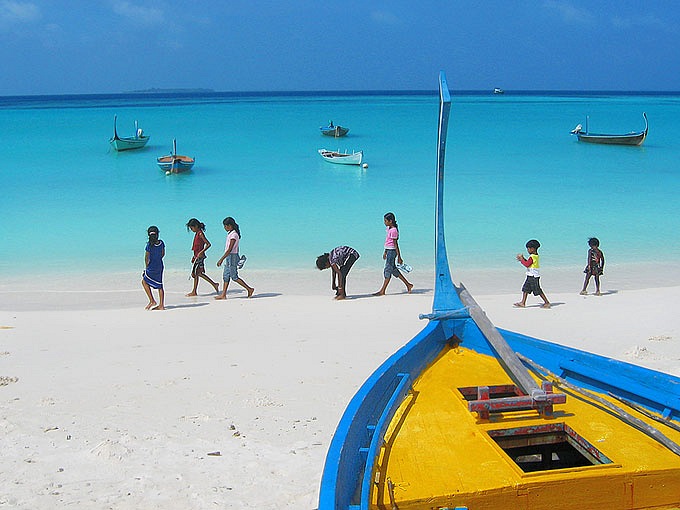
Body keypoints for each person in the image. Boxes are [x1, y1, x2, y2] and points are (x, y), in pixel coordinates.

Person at [373, 212, 413, 296]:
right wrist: (385, 252)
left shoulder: (394, 230)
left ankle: (382, 290)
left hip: (392, 252)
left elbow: (395, 244)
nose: (384, 222)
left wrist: (399, 256)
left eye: (385, 221)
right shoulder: (389, 228)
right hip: (389, 251)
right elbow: (388, 241)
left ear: (390, 221)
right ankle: (408, 285)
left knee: (387, 270)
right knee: (393, 270)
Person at [215, 217, 254, 300]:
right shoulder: (230, 233)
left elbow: (230, 249)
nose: (224, 228)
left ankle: (249, 289)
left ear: (230, 225)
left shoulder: (234, 235)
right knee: (226, 275)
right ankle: (223, 294)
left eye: (225, 226)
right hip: (229, 256)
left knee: (234, 276)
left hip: (231, 256)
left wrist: (221, 259)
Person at [185, 218, 220, 296]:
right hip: (196, 256)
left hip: (200, 257)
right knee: (196, 273)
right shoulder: (197, 233)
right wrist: (194, 256)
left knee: (197, 273)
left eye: (192, 228)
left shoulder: (200, 234)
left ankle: (213, 285)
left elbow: (208, 244)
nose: (192, 230)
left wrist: (201, 252)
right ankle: (196, 290)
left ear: (196, 226)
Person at [514, 239, 551, 309]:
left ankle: (547, 302)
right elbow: (529, 263)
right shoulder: (535, 256)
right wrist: (523, 259)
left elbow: (527, 264)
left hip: (533, 276)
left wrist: (521, 260)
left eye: (528, 249)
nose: (527, 250)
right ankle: (523, 302)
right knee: (525, 289)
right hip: (530, 275)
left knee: (538, 290)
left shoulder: (532, 257)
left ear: (533, 249)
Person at [141, 225, 165, 310]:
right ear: (157, 234)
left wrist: (147, 267)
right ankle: (161, 305)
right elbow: (163, 254)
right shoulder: (161, 243)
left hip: (151, 267)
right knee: (160, 285)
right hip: (160, 266)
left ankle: (152, 301)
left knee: (144, 281)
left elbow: (146, 258)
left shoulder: (149, 245)